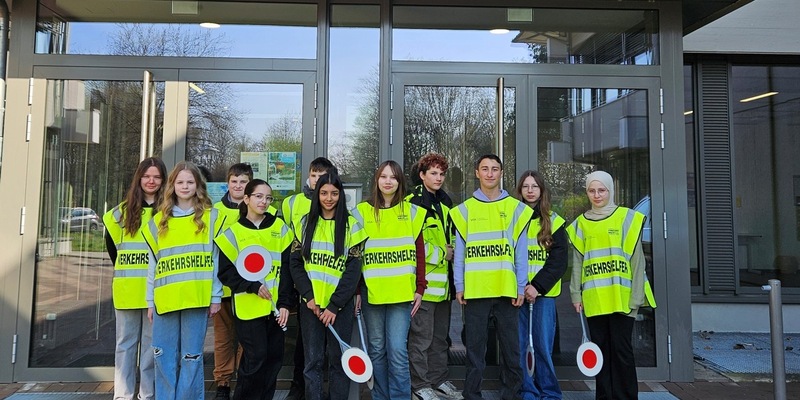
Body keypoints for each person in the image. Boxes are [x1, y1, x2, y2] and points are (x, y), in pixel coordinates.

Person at [567, 171, 657, 400]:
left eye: (601, 190)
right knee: (601, 352)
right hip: (594, 298)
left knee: (621, 351)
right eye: (592, 190)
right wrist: (575, 294)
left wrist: (636, 298)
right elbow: (577, 262)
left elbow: (638, 263)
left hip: (623, 298)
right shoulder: (581, 224)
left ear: (610, 190)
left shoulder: (627, 218)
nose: (597, 195)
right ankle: (604, 397)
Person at [450, 154, 533, 400]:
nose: (489, 173)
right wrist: (459, 284)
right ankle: (472, 395)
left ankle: (511, 395)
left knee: (511, 350)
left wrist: (520, 286)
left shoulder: (517, 209)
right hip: (476, 290)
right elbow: (460, 253)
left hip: (507, 290)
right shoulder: (464, 210)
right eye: (484, 169)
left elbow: (521, 253)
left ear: (501, 172)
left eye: (494, 169)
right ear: (477, 173)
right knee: (475, 351)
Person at [142, 160, 224, 400]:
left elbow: (216, 262)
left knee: (192, 358)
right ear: (172, 185)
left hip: (196, 300)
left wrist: (215, 297)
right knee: (163, 356)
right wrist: (150, 301)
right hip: (165, 301)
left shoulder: (212, 218)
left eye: (190, 182)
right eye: (180, 182)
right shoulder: (158, 222)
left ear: (198, 185)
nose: (185, 186)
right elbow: (152, 267)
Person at [351, 160, 426, 400]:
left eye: (393, 177)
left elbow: (420, 252)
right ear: (377, 180)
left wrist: (420, 287)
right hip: (372, 293)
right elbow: (355, 256)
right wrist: (357, 291)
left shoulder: (411, 211)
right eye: (383, 176)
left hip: (402, 293)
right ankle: (380, 397)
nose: (388, 181)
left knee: (397, 351)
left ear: (400, 182)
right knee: (376, 350)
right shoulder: (362, 212)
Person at [289, 172, 367, 400]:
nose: (329, 198)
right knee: (312, 362)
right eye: (324, 193)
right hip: (310, 305)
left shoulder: (352, 226)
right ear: (317, 194)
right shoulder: (303, 223)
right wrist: (309, 297)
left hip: (339, 309)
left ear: (340, 195)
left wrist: (334, 305)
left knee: (339, 362)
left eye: (334, 193)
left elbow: (353, 270)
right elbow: (295, 264)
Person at [215, 179, 294, 400]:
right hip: (248, 308)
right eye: (259, 196)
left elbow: (288, 269)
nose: (264, 201)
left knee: (273, 360)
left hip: (276, 310)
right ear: (247, 199)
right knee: (255, 358)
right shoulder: (234, 233)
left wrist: (286, 303)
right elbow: (226, 273)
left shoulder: (280, 228)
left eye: (268, 198)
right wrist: (252, 286)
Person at [103, 157, 167, 400]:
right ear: (138, 178)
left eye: (156, 177)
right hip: (128, 290)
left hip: (157, 292)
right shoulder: (118, 214)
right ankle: (123, 394)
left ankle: (147, 394)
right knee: (126, 346)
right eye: (146, 176)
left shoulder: (168, 213)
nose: (151, 181)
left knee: (152, 348)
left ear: (163, 181)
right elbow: (113, 251)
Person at [405, 153, 462, 400]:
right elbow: (409, 244)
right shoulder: (412, 203)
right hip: (424, 287)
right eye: (433, 173)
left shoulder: (446, 202)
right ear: (422, 175)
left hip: (444, 287)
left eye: (441, 173)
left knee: (440, 340)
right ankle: (420, 385)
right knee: (420, 340)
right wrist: (443, 254)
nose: (438, 178)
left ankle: (439, 381)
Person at [281, 156, 335, 400]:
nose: (317, 180)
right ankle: (298, 387)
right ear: (308, 177)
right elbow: (287, 245)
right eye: (314, 175)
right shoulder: (292, 203)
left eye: (322, 175)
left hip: (327, 285)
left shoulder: (337, 206)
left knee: (324, 345)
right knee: (302, 342)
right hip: (300, 281)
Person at [515, 170, 568, 400]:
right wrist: (521, 286)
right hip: (518, 294)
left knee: (542, 347)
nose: (530, 190)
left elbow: (559, 262)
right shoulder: (513, 220)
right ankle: (528, 391)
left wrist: (536, 286)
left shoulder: (554, 222)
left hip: (542, 295)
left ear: (541, 190)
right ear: (520, 190)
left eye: (534, 186)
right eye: (526, 186)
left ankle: (549, 392)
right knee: (520, 347)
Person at [211, 163, 254, 400]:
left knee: (247, 337)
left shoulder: (256, 209)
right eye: (234, 181)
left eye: (243, 182)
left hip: (249, 288)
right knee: (223, 337)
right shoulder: (215, 212)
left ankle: (243, 378)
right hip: (223, 287)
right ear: (227, 183)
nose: (238, 186)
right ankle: (223, 383)